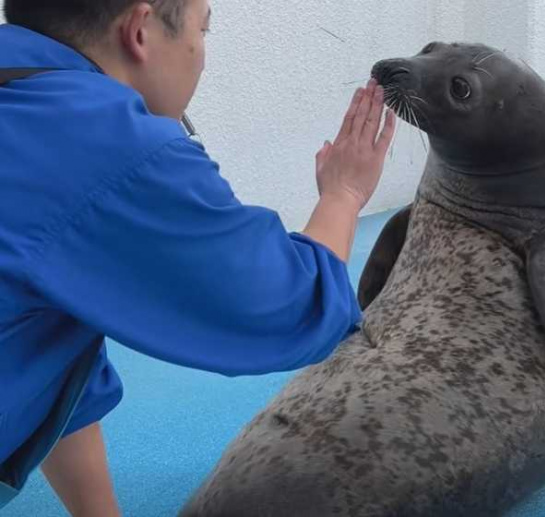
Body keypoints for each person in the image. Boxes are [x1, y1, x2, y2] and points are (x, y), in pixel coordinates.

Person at [0, 0, 396, 514]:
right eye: (202, 29)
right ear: (140, 30)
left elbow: (53, 353)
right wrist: (343, 194)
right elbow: (292, 304)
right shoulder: (103, 143)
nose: (202, 54)